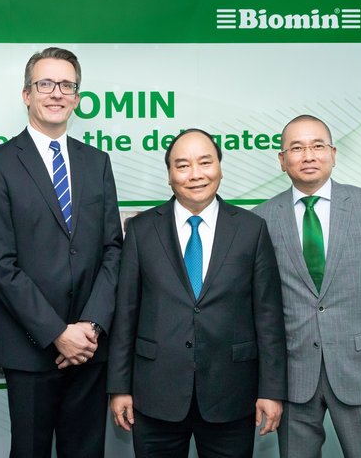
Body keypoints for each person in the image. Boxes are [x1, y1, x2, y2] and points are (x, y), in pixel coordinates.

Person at [0, 47, 122, 458]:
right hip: (30, 344)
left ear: (77, 97)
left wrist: (89, 327)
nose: (56, 93)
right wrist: (58, 333)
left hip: (90, 346)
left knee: (86, 451)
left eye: (67, 85)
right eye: (45, 84)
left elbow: (113, 250)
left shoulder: (97, 163)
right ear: (26, 94)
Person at [107, 128, 287, 457]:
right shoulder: (140, 230)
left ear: (219, 166)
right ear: (169, 174)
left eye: (205, 162)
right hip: (154, 394)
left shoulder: (251, 229)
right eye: (183, 165)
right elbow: (126, 314)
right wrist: (119, 387)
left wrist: (272, 390)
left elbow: (268, 316)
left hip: (232, 394)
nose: (195, 175)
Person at [253, 114, 361, 458]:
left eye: (317, 146)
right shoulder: (262, 218)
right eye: (296, 148)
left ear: (333, 153)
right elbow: (259, 305)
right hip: (293, 376)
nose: (308, 155)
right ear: (282, 161)